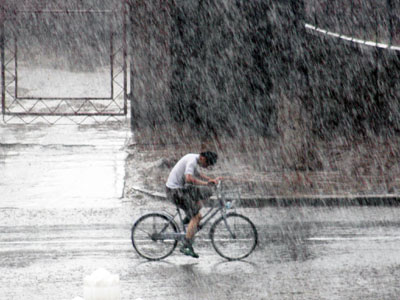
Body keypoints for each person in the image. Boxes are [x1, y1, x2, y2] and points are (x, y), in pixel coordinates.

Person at [165, 151, 220, 258]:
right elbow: (189, 179)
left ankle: (188, 219)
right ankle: (186, 245)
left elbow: (197, 174)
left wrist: (210, 180)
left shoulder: (193, 158)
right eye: (207, 164)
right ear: (203, 158)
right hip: (175, 192)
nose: (206, 166)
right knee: (197, 216)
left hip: (179, 189)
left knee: (207, 192)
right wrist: (206, 183)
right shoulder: (192, 161)